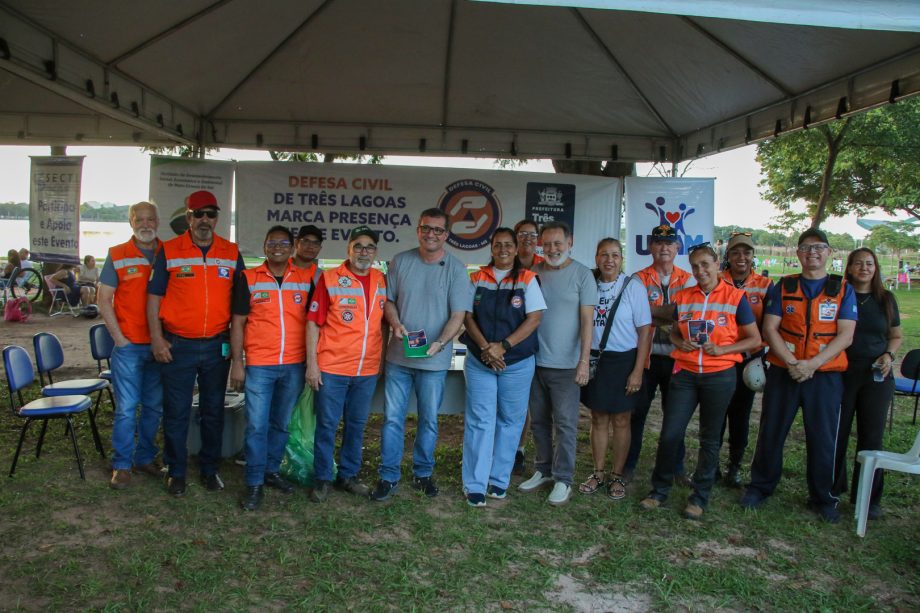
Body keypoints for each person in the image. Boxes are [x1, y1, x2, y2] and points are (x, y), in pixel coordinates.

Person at [742, 228, 857, 523]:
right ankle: (760, 487)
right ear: (798, 253)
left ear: (829, 252)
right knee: (771, 432)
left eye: (818, 247)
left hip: (824, 376)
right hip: (785, 371)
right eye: (806, 248)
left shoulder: (842, 289)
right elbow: (770, 328)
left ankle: (823, 497)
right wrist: (793, 362)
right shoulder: (784, 286)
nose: (812, 253)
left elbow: (845, 335)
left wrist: (812, 364)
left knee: (823, 438)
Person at [639, 244, 761, 520]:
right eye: (695, 266)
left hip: (720, 376)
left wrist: (724, 349)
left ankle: (699, 497)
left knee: (709, 438)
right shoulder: (684, 296)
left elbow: (754, 339)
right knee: (670, 434)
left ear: (717, 264)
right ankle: (659, 490)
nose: (700, 270)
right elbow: (674, 332)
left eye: (705, 264)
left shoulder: (735, 297)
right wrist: (679, 342)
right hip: (685, 374)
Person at [147, 190, 245, 498]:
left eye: (210, 214)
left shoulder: (231, 252)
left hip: (217, 346)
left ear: (217, 218)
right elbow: (154, 298)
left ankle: (209, 469)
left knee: (213, 410)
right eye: (198, 214)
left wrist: (237, 351)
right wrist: (157, 339)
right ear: (188, 217)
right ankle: (176, 471)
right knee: (176, 411)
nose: (205, 219)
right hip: (178, 346)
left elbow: (240, 304)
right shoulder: (169, 250)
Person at [370, 208, 471, 501]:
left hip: (434, 359)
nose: (431, 234)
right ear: (418, 230)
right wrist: (395, 323)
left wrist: (441, 342)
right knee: (392, 419)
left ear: (446, 235)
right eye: (426, 228)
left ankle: (423, 473)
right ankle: (388, 475)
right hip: (399, 358)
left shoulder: (456, 269)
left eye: (438, 230)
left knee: (428, 420)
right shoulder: (400, 261)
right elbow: (388, 302)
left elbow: (458, 315)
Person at [460, 228, 545, 507]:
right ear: (491, 248)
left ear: (516, 248)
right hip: (480, 360)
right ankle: (475, 484)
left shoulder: (527, 278)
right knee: (480, 420)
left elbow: (534, 318)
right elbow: (467, 317)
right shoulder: (477, 278)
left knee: (510, 421)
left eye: (509, 245)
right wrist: (487, 348)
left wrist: (504, 346)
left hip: (516, 362)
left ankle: (498, 480)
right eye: (498, 245)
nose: (504, 249)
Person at [230, 226, 311, 511]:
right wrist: (237, 363)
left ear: (292, 247)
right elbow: (238, 323)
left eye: (283, 243)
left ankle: (271, 470)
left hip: (293, 365)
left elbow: (313, 323)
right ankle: (254, 482)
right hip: (260, 365)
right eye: (272, 242)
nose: (277, 247)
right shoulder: (249, 278)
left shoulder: (305, 279)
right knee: (256, 425)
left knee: (281, 423)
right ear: (264, 246)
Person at [308, 226, 387, 503]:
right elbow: (313, 323)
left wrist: (381, 361)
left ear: (375, 252)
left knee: (357, 424)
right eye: (358, 246)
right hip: (333, 367)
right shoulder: (330, 278)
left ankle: (348, 476)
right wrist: (312, 365)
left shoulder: (381, 279)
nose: (364, 252)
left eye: (369, 247)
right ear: (348, 249)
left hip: (366, 369)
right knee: (327, 425)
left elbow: (384, 323)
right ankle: (322, 478)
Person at [518, 221, 595, 506]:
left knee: (565, 424)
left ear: (569, 242)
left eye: (557, 243)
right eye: (547, 244)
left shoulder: (583, 275)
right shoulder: (534, 273)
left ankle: (564, 478)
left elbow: (587, 322)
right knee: (539, 420)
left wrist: (583, 361)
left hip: (566, 365)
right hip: (534, 361)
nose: (552, 249)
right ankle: (543, 469)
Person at [577, 238, 651, 501]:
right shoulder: (588, 284)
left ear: (622, 259)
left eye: (615, 255)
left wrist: (638, 371)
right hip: (596, 360)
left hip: (624, 361)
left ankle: (617, 475)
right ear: (596, 258)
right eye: (604, 255)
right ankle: (598, 472)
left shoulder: (632, 287)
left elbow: (645, 332)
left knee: (621, 419)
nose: (609, 260)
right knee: (598, 417)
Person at [97, 201, 164, 489]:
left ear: (157, 222)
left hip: (160, 345)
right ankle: (122, 465)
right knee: (126, 408)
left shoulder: (169, 252)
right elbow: (103, 299)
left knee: (154, 407)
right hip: (129, 347)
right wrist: (119, 339)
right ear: (131, 222)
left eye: (150, 219)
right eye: (140, 220)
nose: (145, 225)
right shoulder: (118, 254)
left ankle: (145, 457)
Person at [832, 247, 901, 520]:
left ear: (876, 268)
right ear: (849, 268)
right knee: (837, 433)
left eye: (869, 264)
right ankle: (832, 489)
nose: (864, 268)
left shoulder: (886, 299)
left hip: (875, 375)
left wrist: (889, 355)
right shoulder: (839, 296)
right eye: (858, 263)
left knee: (871, 437)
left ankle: (868, 498)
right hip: (842, 372)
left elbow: (895, 335)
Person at [624, 224, 694, 484]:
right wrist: (671, 312)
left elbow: (688, 315)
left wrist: (652, 312)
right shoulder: (638, 278)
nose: (664, 247)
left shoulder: (688, 279)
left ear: (677, 247)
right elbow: (635, 315)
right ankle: (628, 464)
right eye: (658, 242)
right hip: (646, 358)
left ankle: (676, 467)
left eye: (669, 243)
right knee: (637, 413)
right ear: (650, 247)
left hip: (678, 358)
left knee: (676, 416)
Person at [717, 233, 773, 487]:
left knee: (741, 414)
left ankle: (734, 466)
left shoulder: (765, 284)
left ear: (753, 256)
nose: (741, 257)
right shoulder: (717, 280)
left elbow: (771, 325)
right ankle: (711, 466)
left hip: (749, 359)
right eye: (736, 252)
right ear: (728, 256)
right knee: (716, 412)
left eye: (747, 252)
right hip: (720, 358)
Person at [511, 218, 544, 474]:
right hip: (508, 342)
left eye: (532, 235)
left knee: (528, 401)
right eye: (522, 234)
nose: (527, 239)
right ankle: (505, 446)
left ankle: (519, 449)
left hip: (538, 339)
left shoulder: (546, 267)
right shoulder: (505, 263)